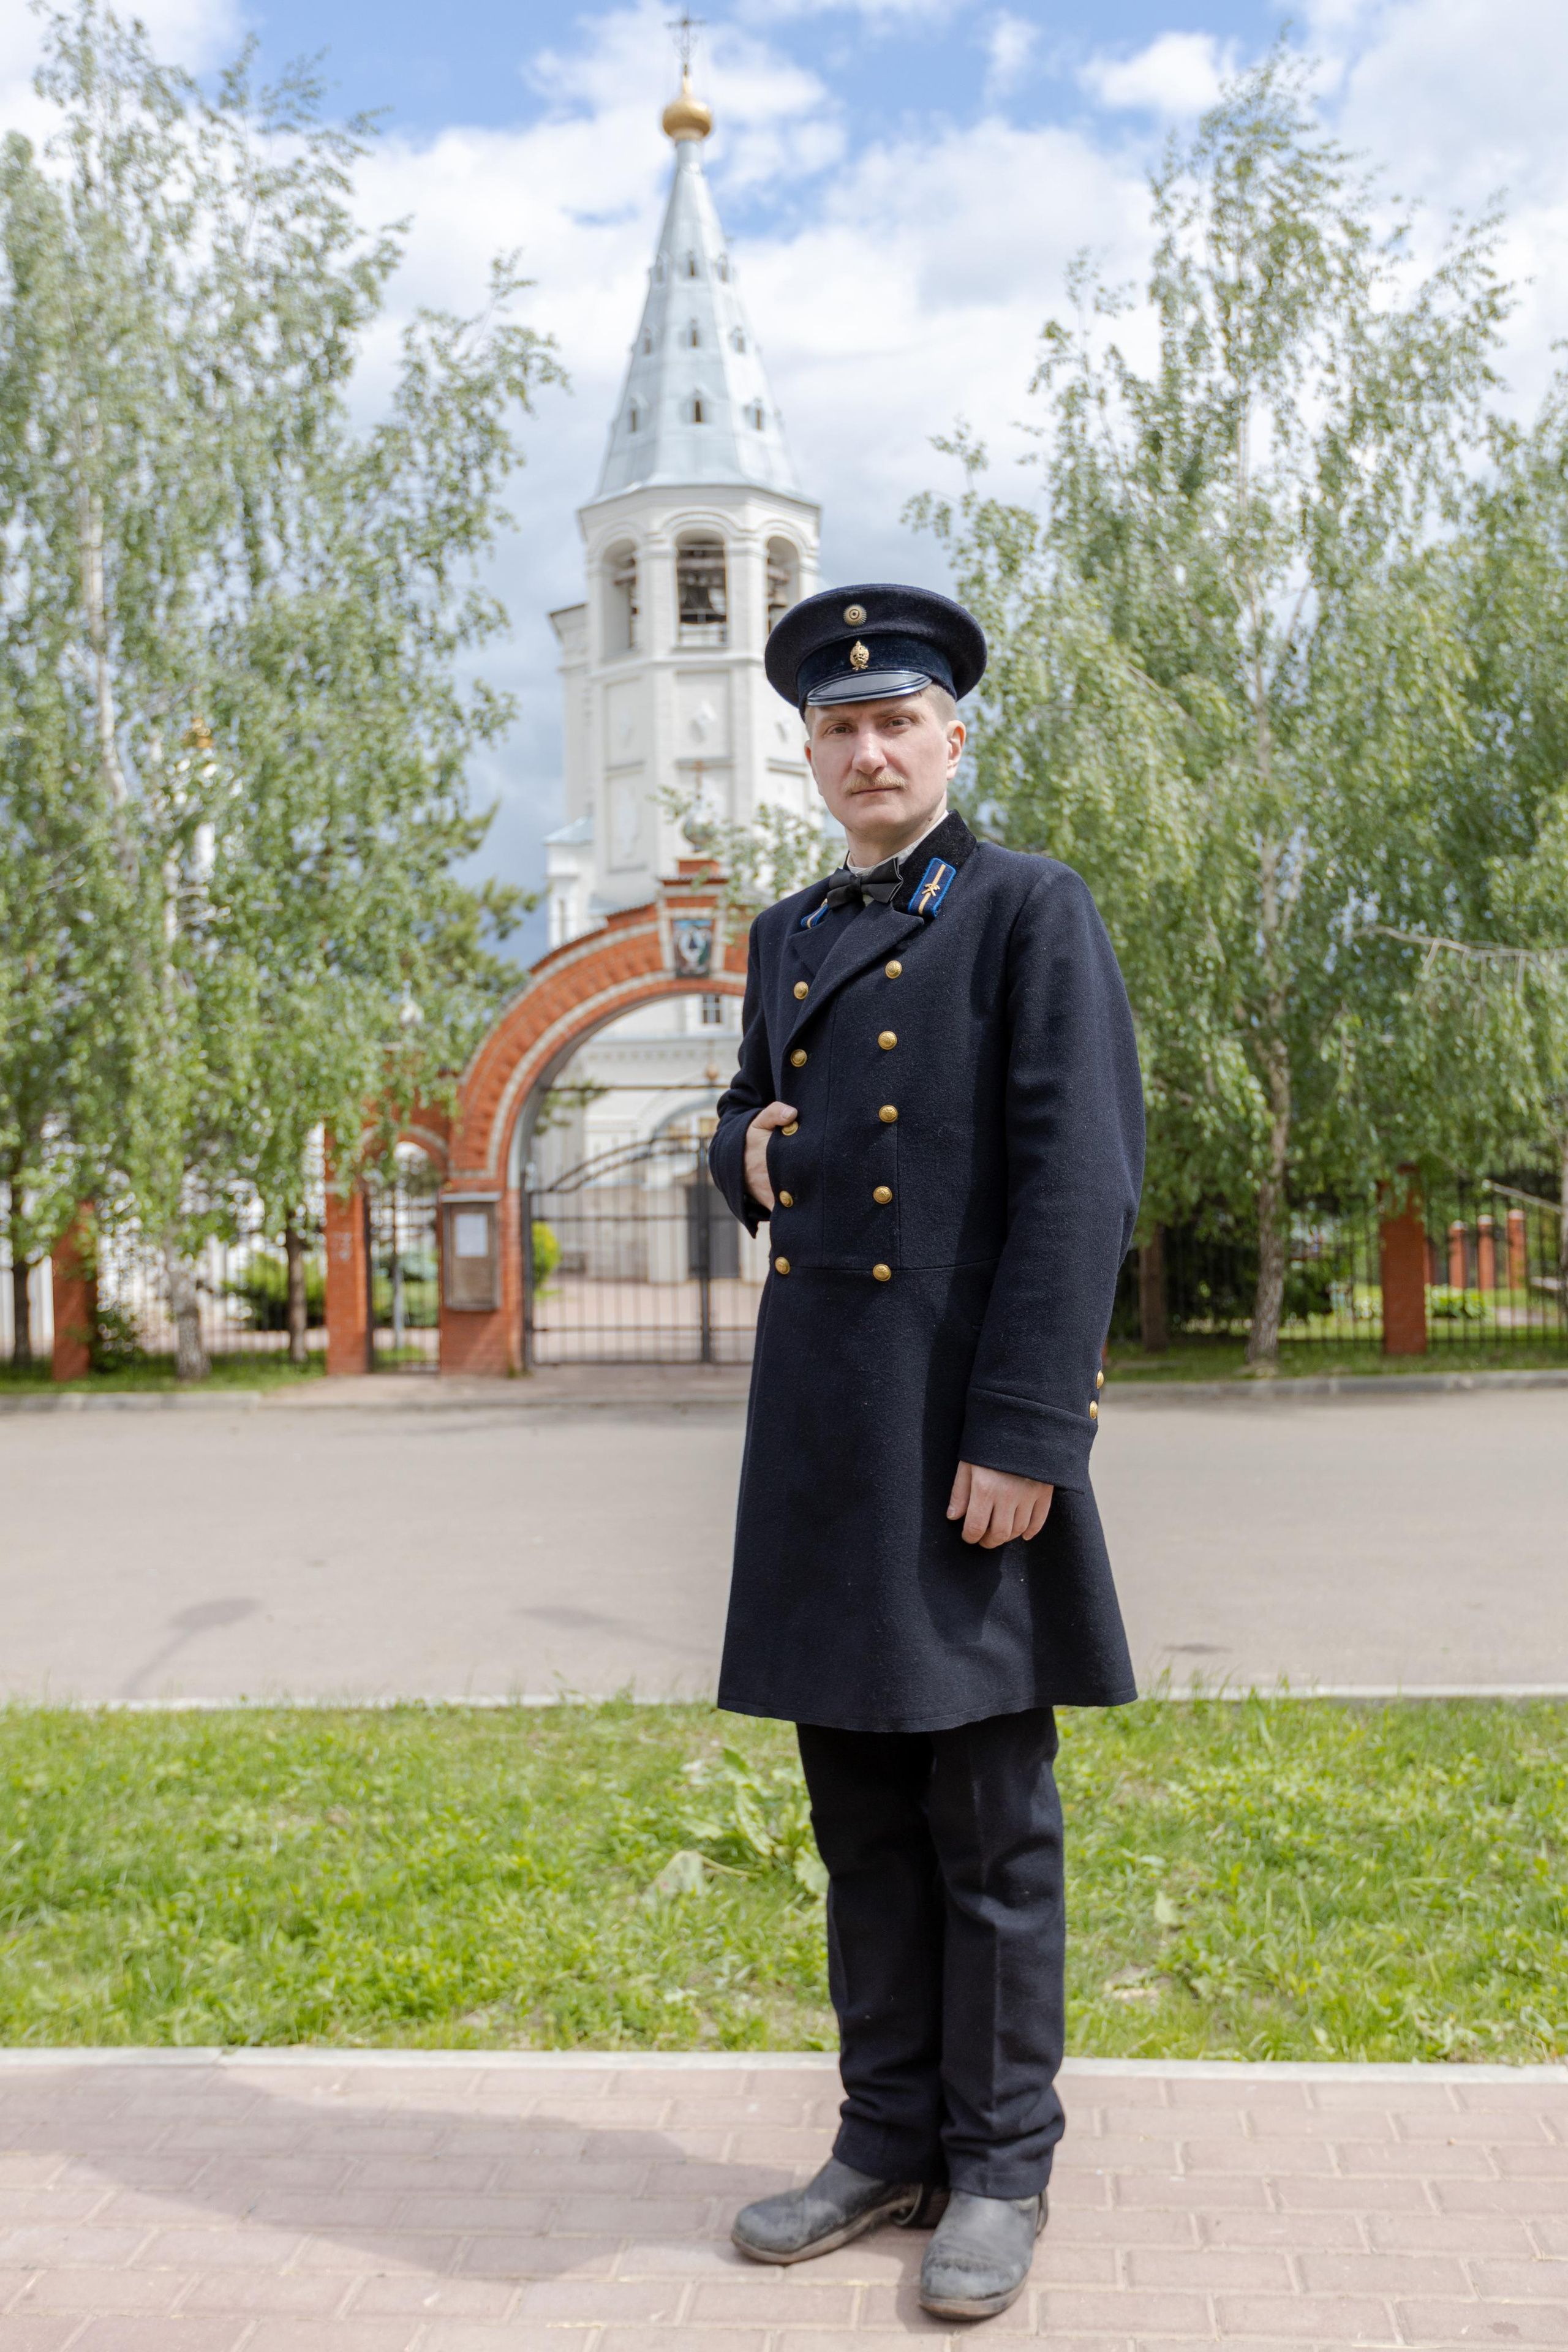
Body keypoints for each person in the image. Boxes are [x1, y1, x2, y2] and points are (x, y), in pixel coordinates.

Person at [706, 583, 1145, 2322]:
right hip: (828, 1438)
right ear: (809, 755)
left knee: (987, 1827)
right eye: (837, 727)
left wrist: (1031, 1431)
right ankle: (883, 2136)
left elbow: (1080, 1181)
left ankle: (1003, 2164)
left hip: (968, 1437)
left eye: (898, 721)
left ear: (954, 738)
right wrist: (746, 1155)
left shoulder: (1028, 909)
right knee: (859, 1822)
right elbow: (746, 1118)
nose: (868, 749)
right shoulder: (786, 930)